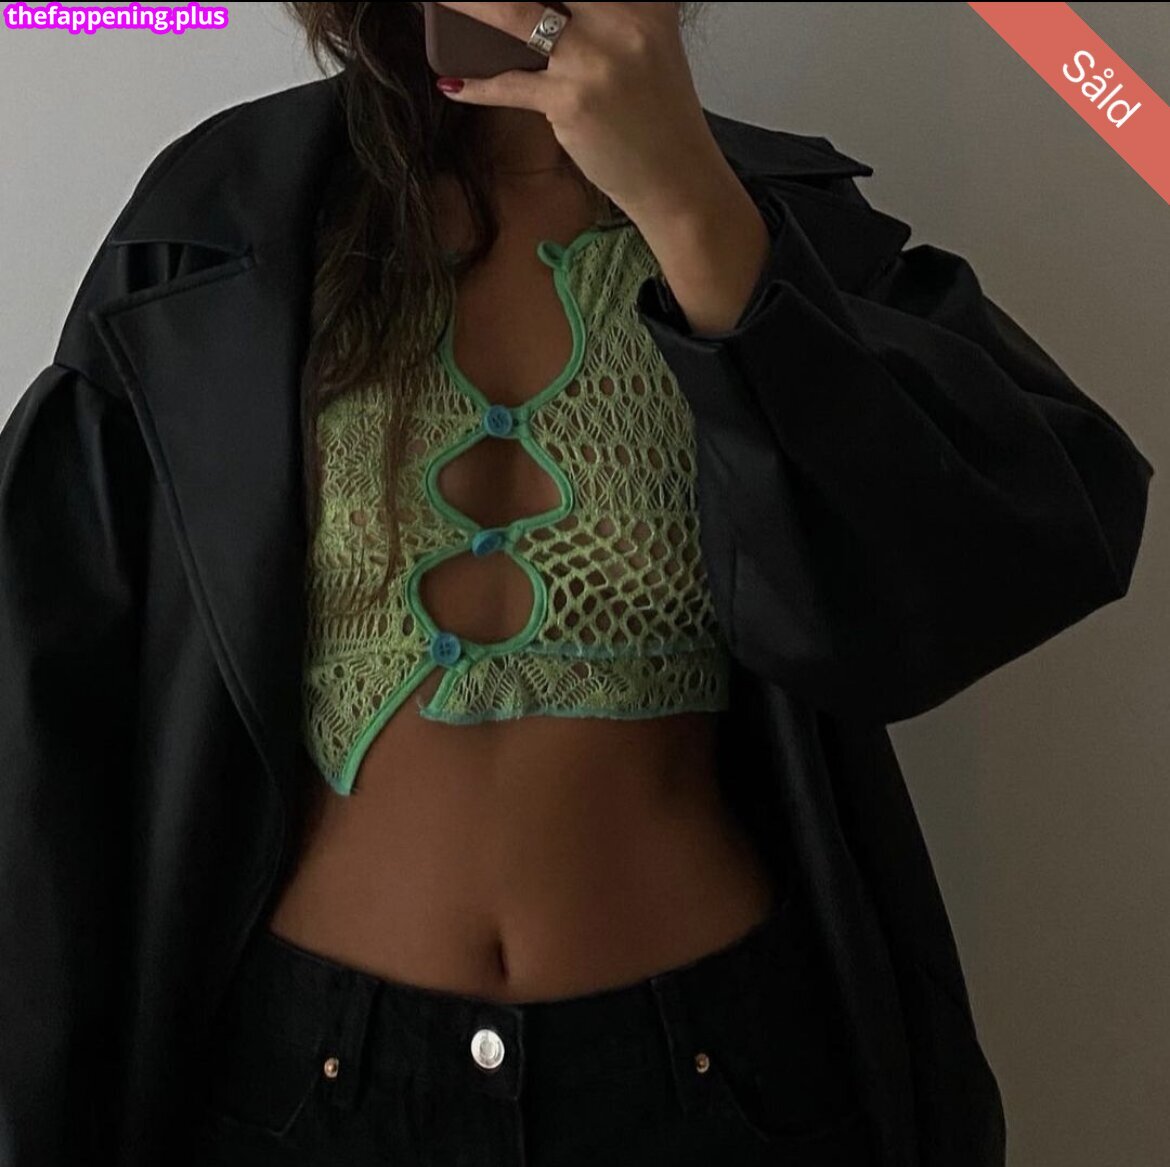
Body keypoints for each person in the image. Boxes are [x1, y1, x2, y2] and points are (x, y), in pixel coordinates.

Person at [0, 3, 1153, 1166]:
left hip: (715, 1077)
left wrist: (695, 209)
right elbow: (51, 711)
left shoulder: (794, 229)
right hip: (310, 1085)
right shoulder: (220, 224)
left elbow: (998, 559)